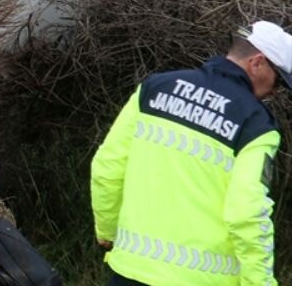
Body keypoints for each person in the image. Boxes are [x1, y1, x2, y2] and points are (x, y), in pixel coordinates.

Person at [91, 21, 289, 286]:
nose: (275, 91)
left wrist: (107, 229)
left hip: (130, 271)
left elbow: (108, 167)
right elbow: (247, 211)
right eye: (278, 80)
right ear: (257, 63)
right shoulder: (256, 124)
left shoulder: (154, 88)